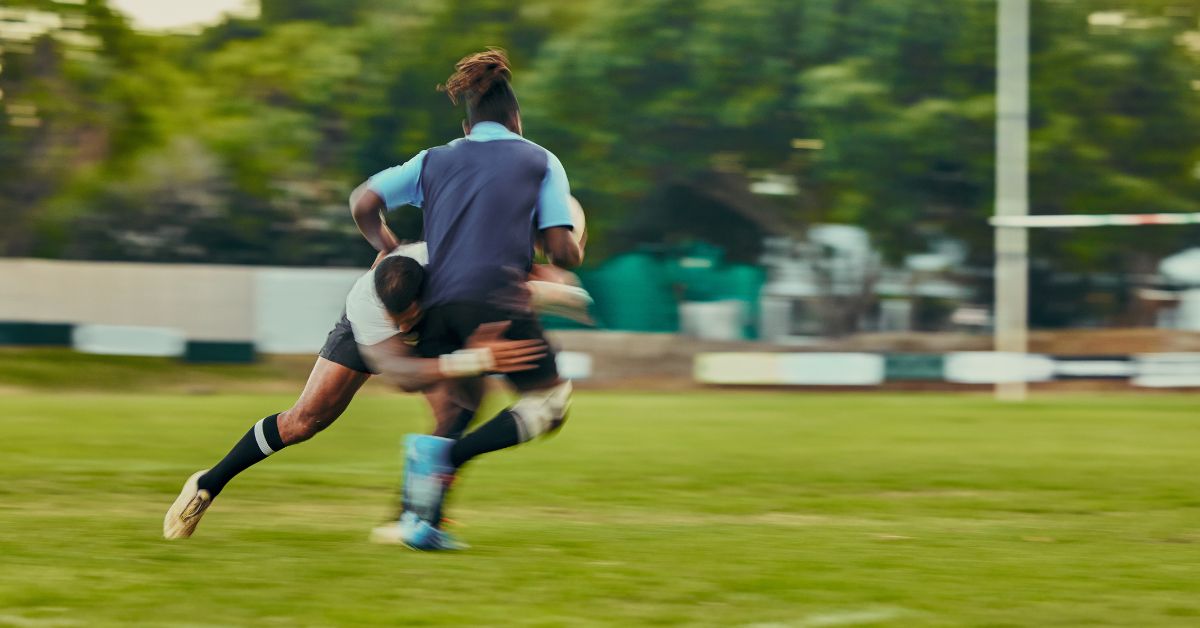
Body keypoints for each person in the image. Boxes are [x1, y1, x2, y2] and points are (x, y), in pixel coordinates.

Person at [161, 241, 578, 541]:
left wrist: (551, 282)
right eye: (397, 319)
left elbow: (513, 264)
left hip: (439, 321)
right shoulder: (371, 310)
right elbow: (403, 374)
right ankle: (208, 483)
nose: (403, 326)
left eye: (408, 316)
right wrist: (475, 359)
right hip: (372, 339)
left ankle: (412, 517)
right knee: (305, 421)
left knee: (457, 411)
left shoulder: (453, 272)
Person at [348, 48, 584, 549]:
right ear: (516, 120)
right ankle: (447, 459)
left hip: (438, 304)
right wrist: (574, 241)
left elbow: (363, 202)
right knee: (551, 402)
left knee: (461, 405)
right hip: (497, 300)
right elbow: (562, 251)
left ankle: (419, 521)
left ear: (467, 124)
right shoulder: (540, 159)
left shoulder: (433, 159)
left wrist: (386, 245)